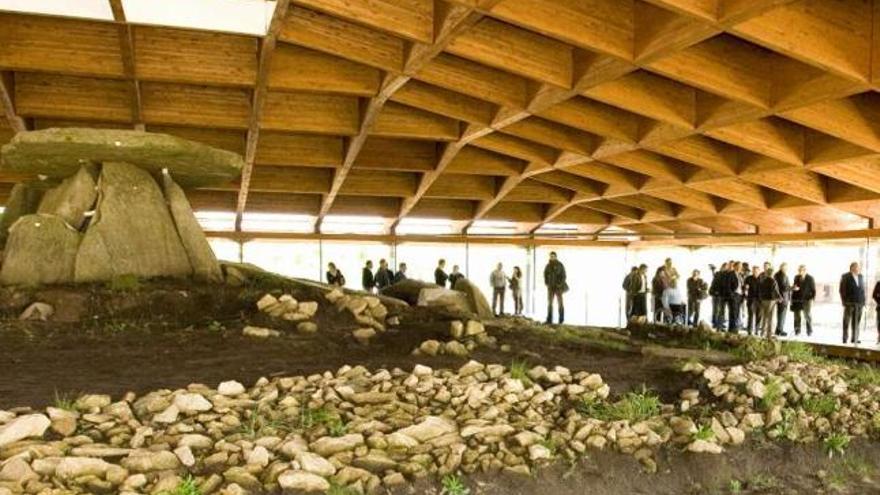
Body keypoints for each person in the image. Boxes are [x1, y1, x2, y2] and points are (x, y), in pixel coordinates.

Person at [839, 262, 866, 344]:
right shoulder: (845, 276)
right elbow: (842, 290)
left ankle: (854, 338)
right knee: (846, 321)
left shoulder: (861, 277)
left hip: (859, 303)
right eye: (857, 267)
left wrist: (863, 302)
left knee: (856, 322)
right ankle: (845, 338)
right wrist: (844, 302)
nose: (858, 269)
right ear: (852, 268)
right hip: (849, 303)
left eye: (858, 267)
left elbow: (862, 290)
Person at [758, 264, 782, 339]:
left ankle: (762, 333)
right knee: (771, 317)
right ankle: (769, 334)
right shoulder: (773, 281)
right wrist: (780, 298)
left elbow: (760, 291)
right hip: (771, 301)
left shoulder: (763, 281)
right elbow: (775, 291)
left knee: (764, 317)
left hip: (763, 300)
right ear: (772, 273)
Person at [791, 264, 816, 337]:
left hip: (807, 299)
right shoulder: (796, 277)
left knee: (807, 315)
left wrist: (813, 299)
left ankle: (809, 331)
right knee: (797, 316)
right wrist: (793, 288)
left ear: (805, 270)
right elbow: (794, 286)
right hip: (797, 299)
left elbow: (813, 290)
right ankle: (797, 331)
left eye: (801, 270)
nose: (799, 271)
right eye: (799, 270)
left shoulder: (810, 278)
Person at [544, 252, 567, 325]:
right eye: (551, 256)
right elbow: (545, 274)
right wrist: (547, 283)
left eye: (553, 256)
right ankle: (549, 320)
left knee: (560, 303)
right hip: (550, 287)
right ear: (549, 257)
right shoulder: (547, 266)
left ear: (556, 257)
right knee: (550, 303)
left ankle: (561, 320)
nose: (552, 257)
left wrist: (559, 284)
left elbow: (564, 276)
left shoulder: (560, 265)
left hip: (558, 288)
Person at [744, 266, 762, 335]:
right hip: (751, 299)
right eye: (754, 270)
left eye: (756, 271)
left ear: (759, 271)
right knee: (750, 315)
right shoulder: (748, 278)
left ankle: (757, 330)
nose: (755, 272)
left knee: (759, 316)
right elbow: (744, 287)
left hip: (760, 300)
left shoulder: (762, 279)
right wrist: (745, 287)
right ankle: (749, 330)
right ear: (752, 271)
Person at [774, 263, 791, 336]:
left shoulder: (779, 275)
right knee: (781, 314)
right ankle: (780, 330)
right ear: (781, 268)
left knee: (781, 314)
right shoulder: (780, 275)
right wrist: (792, 288)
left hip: (783, 298)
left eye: (786, 268)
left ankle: (778, 329)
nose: (786, 269)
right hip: (782, 298)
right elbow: (783, 288)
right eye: (785, 268)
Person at [725, 261, 742, 332]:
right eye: (738, 266)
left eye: (740, 266)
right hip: (733, 295)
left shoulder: (740, 275)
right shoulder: (730, 274)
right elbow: (727, 286)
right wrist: (731, 295)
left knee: (737, 312)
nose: (739, 268)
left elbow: (740, 285)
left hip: (739, 295)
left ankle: (735, 328)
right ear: (734, 267)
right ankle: (732, 329)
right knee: (733, 312)